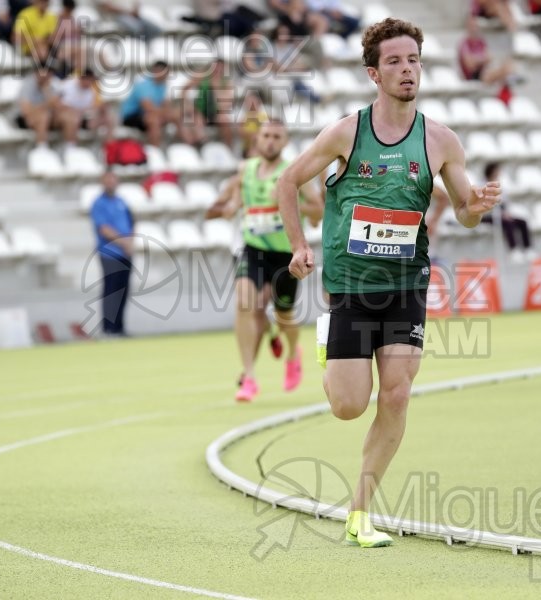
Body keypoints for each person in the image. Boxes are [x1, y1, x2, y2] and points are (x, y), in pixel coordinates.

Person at [276, 18, 501, 547]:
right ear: (374, 74)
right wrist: (299, 247)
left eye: (414, 60)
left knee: (396, 395)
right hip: (351, 285)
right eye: (396, 62)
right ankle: (329, 339)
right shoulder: (346, 132)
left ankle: (360, 512)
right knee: (348, 406)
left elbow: (465, 213)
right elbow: (289, 181)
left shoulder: (441, 141)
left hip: (406, 284)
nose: (407, 70)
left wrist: (477, 209)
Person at [208, 119, 324, 402]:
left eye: (276, 137)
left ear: (284, 143)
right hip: (253, 248)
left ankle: (293, 353)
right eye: (266, 136)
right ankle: (248, 377)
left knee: (284, 315)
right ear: (257, 140)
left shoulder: (293, 173)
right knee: (245, 302)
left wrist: (288, 201)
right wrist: (231, 205)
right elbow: (225, 204)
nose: (270, 141)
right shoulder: (244, 170)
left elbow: (317, 212)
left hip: (286, 254)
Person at [90, 171, 135, 337]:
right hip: (110, 253)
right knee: (111, 291)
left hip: (126, 252)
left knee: (124, 290)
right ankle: (108, 329)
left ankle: (120, 328)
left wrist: (130, 242)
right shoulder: (99, 203)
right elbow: (103, 228)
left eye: (113, 180)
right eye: (107, 181)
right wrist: (124, 242)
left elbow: (131, 223)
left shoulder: (121, 202)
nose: (111, 183)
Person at [480, 163, 534, 263]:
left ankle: (528, 249)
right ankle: (513, 250)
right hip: (487, 215)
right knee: (508, 223)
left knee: (522, 222)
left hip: (500, 213)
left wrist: (505, 212)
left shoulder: (499, 185)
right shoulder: (482, 185)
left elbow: (504, 202)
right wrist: (500, 213)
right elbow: (483, 203)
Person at [121, 61, 180, 147]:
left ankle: (182, 147)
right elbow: (148, 107)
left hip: (151, 114)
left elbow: (166, 105)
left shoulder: (163, 86)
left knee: (177, 115)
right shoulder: (143, 85)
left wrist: (168, 112)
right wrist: (165, 113)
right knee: (154, 120)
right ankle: (154, 149)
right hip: (132, 116)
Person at [181, 59, 236, 148]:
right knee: (195, 119)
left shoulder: (226, 83)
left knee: (225, 121)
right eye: (216, 68)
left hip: (215, 112)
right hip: (200, 111)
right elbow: (184, 90)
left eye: (220, 69)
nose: (217, 71)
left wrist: (216, 89)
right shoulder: (202, 77)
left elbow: (226, 104)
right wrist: (188, 105)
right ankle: (203, 144)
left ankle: (228, 148)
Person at [55, 68, 112, 146]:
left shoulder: (92, 91)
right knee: (73, 118)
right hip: (67, 115)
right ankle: (70, 146)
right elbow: (56, 103)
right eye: (88, 80)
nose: (89, 83)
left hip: (83, 117)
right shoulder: (67, 85)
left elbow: (92, 108)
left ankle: (108, 147)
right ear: (82, 78)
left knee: (109, 119)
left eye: (91, 80)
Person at [458, 16, 520, 87]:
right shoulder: (464, 43)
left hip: (484, 71)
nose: (474, 28)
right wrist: (482, 60)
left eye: (475, 25)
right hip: (473, 76)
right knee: (499, 73)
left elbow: (489, 58)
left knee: (507, 63)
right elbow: (470, 65)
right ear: (467, 27)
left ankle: (509, 75)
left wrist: (477, 60)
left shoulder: (481, 42)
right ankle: (509, 75)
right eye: (471, 25)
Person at [15, 66, 59, 147]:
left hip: (48, 118)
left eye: (48, 75)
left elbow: (57, 107)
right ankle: (42, 147)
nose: (45, 77)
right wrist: (46, 106)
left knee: (69, 116)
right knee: (43, 116)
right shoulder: (27, 86)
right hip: (26, 119)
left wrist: (46, 91)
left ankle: (71, 148)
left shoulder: (52, 86)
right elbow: (26, 110)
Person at [97, 0, 162, 39]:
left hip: (133, 16)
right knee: (137, 28)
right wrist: (127, 12)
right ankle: (138, 48)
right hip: (117, 17)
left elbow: (136, 4)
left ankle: (145, 46)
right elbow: (106, 7)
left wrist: (134, 12)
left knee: (156, 29)